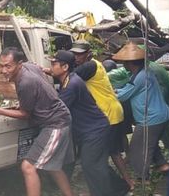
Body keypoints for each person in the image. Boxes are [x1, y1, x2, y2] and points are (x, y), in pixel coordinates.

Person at [0, 47, 73, 196]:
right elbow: (38, 76)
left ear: (20, 64)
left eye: (8, 66)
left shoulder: (26, 82)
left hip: (56, 123)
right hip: (57, 117)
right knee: (52, 166)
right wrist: (26, 102)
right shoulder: (29, 67)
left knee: (28, 167)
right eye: (2, 65)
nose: (4, 70)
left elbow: (25, 114)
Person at [49, 50, 130, 196]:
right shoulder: (70, 80)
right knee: (94, 164)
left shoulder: (72, 84)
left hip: (95, 130)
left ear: (65, 67)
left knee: (91, 164)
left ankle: (110, 191)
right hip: (92, 129)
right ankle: (118, 188)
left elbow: (57, 109)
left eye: (54, 64)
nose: (50, 67)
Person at [69, 40, 132, 189]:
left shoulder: (89, 66)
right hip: (112, 111)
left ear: (89, 54)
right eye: (74, 54)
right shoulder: (96, 64)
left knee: (97, 157)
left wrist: (47, 70)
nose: (76, 57)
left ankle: (117, 186)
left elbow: (67, 76)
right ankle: (128, 182)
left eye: (80, 54)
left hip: (107, 114)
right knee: (113, 152)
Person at [113, 42, 169, 179]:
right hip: (160, 115)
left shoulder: (140, 77)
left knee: (138, 149)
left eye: (124, 62)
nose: (123, 64)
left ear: (130, 63)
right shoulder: (144, 73)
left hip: (151, 119)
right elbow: (129, 88)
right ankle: (163, 165)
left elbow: (124, 95)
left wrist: (110, 92)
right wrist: (117, 90)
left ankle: (143, 179)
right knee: (150, 143)